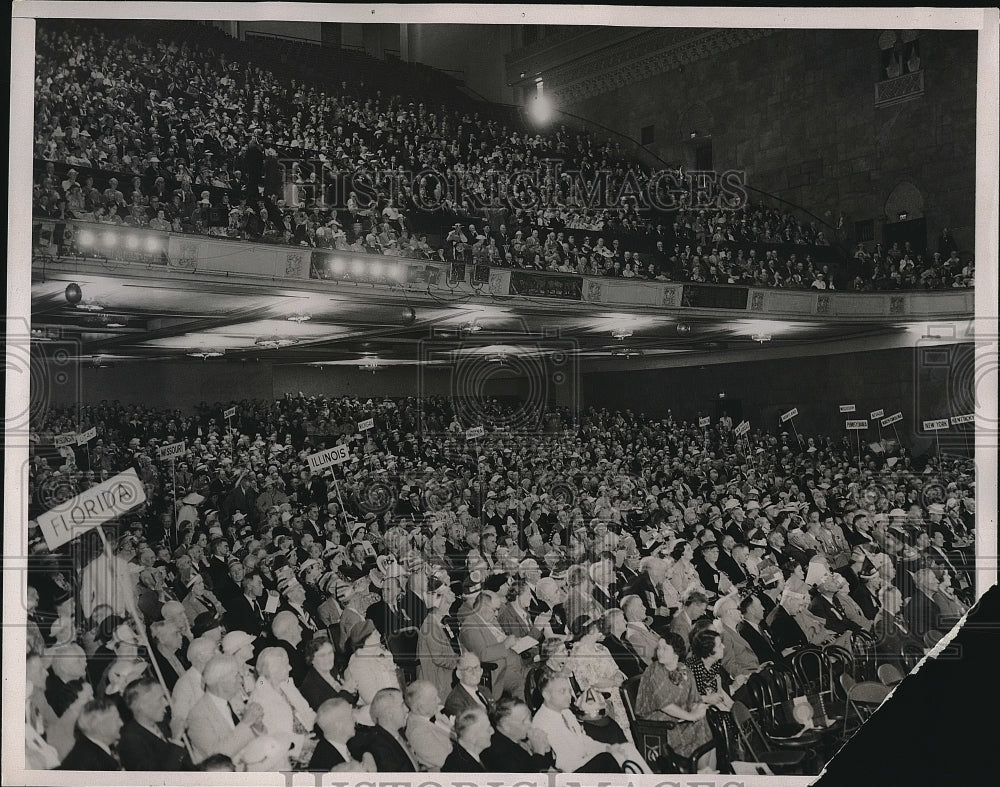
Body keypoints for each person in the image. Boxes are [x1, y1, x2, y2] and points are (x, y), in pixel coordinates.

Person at [634, 633, 716, 772]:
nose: (659, 652)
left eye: (664, 648)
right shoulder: (654, 671)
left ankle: (708, 774)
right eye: (659, 648)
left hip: (679, 715)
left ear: (676, 652)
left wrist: (698, 708)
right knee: (700, 726)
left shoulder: (684, 669)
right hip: (657, 720)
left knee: (707, 724)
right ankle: (702, 773)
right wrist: (691, 716)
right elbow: (665, 705)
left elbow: (694, 697)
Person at [529, 672, 624, 773]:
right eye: (562, 691)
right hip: (569, 773)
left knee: (620, 751)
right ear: (546, 695)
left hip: (582, 762)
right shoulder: (542, 722)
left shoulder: (565, 711)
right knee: (609, 760)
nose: (568, 696)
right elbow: (566, 762)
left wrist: (607, 747)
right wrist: (600, 754)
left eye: (569, 691)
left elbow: (582, 740)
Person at [184, 654, 264, 765]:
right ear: (222, 682)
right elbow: (216, 757)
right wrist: (246, 723)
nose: (241, 679)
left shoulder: (232, 701)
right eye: (236, 675)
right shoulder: (197, 715)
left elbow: (247, 736)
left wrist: (257, 724)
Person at [249, 647, 317, 761]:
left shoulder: (286, 685)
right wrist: (300, 743)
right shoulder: (259, 698)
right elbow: (269, 735)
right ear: (273, 670)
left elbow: (307, 711)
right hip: (286, 754)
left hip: (308, 737)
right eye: (286, 665)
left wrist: (322, 726)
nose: (290, 668)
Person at [118, 677, 188, 770]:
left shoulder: (164, 723)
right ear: (142, 705)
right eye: (160, 699)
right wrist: (176, 740)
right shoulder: (129, 740)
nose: (166, 703)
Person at [481, 696, 556, 772]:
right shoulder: (497, 752)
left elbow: (547, 769)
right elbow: (529, 780)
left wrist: (546, 749)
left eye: (530, 718)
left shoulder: (516, 739)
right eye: (523, 721)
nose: (530, 724)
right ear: (505, 725)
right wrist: (539, 752)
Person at [353, 687, 419, 771]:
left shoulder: (398, 733)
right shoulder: (379, 747)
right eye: (402, 705)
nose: (407, 709)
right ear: (389, 713)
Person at [308, 698, 376, 772]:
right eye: (351, 716)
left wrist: (367, 755)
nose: (354, 719)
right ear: (339, 725)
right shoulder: (325, 764)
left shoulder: (339, 743)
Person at [57, 697, 123, 770]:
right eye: (116, 719)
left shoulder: (86, 749)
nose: (121, 723)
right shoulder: (94, 760)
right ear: (99, 725)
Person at [404, 680, 454, 770]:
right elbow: (448, 762)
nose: (439, 700)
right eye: (434, 698)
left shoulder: (428, 715)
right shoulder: (418, 733)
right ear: (421, 706)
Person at [299, 636, 357, 711]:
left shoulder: (332, 670)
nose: (328, 658)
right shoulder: (310, 686)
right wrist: (346, 691)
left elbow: (349, 698)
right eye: (322, 655)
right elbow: (329, 712)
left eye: (330, 653)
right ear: (312, 659)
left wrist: (353, 691)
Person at [442, 707, 494, 771]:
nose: (492, 731)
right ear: (472, 735)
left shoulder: (474, 757)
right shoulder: (460, 767)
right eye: (488, 730)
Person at [444, 653, 494, 717]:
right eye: (468, 669)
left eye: (476, 668)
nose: (474, 673)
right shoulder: (455, 701)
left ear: (481, 671)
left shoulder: (485, 690)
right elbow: (470, 726)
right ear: (459, 674)